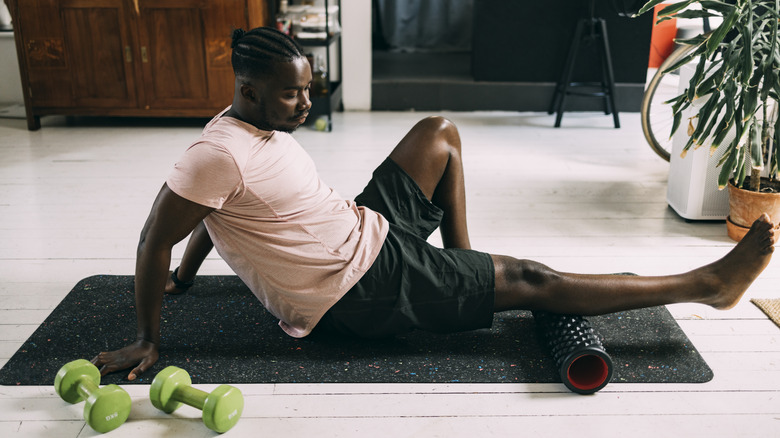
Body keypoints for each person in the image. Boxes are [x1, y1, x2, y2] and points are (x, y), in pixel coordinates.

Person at [91, 27, 777, 380]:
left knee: (438, 134)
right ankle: (710, 284)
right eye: (295, 93)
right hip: (355, 289)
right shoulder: (216, 153)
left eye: (309, 88)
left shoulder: (244, 131)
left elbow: (213, 213)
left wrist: (188, 275)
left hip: (366, 231)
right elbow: (158, 233)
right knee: (536, 280)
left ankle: (465, 269)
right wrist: (153, 334)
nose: (308, 101)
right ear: (249, 88)